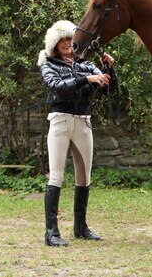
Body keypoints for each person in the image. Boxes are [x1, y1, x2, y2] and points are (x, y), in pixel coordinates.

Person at [37, 20, 115, 247]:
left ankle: (80, 227)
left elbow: (108, 89)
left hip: (83, 121)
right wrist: (86, 79)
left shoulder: (86, 64)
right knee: (56, 176)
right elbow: (56, 86)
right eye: (61, 40)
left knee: (84, 177)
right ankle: (51, 232)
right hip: (60, 120)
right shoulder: (47, 64)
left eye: (69, 39)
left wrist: (108, 68)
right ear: (54, 43)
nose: (66, 43)